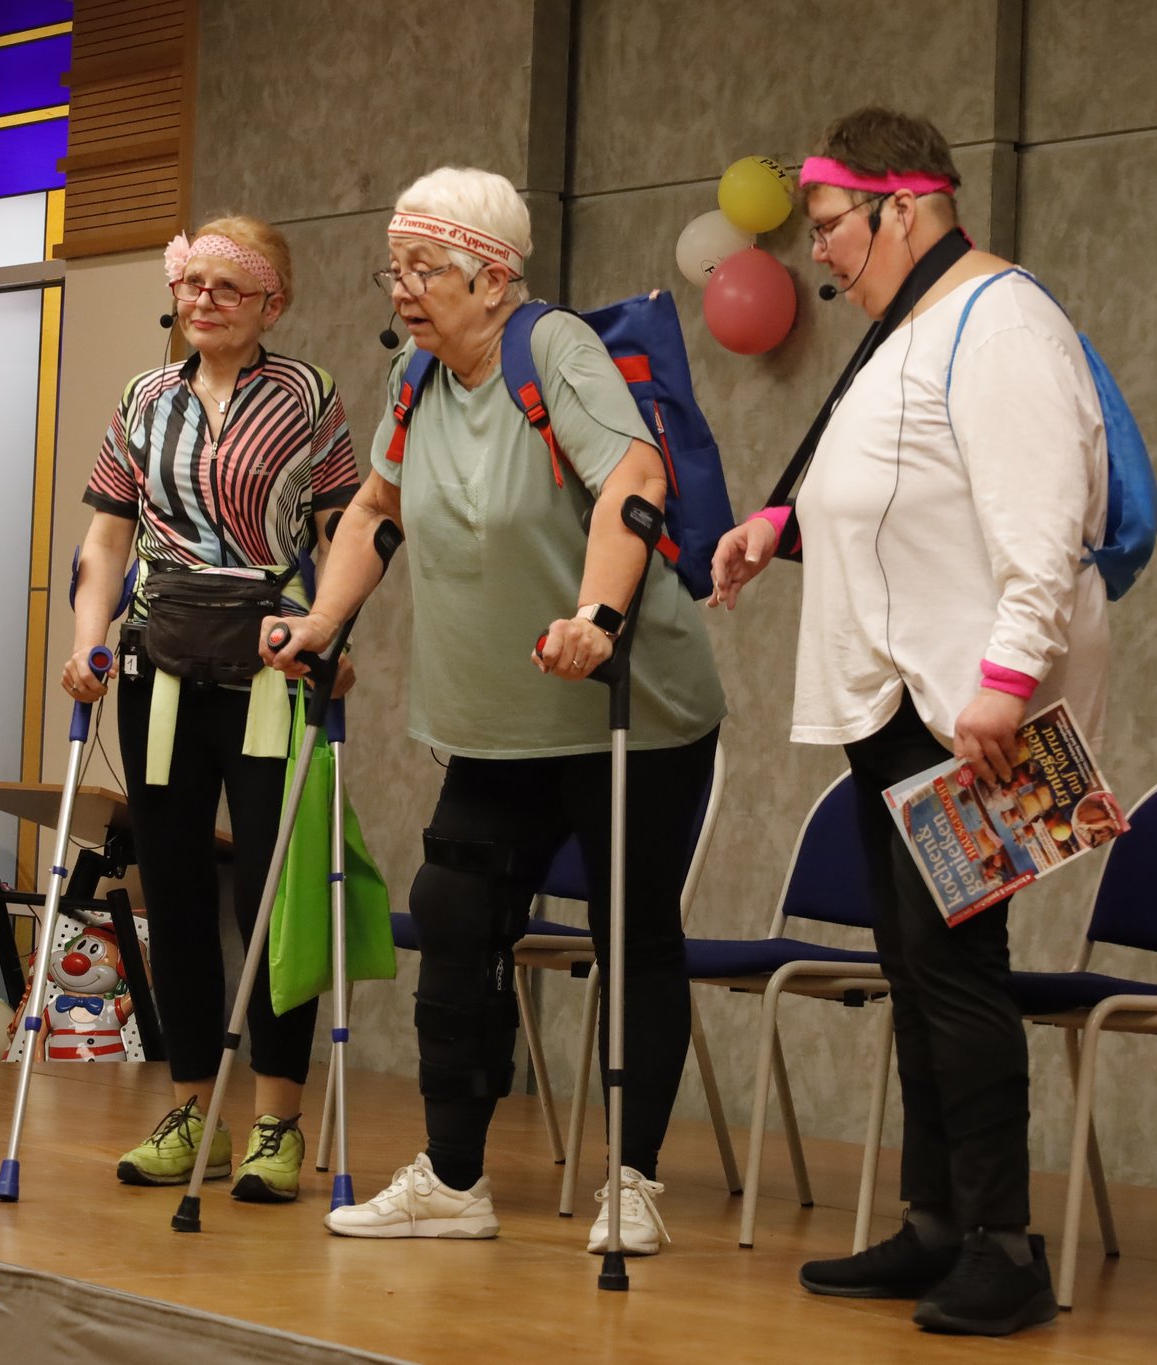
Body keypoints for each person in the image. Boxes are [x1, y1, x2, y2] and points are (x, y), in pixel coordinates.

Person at [263, 166, 725, 1254]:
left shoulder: (553, 349)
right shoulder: (416, 377)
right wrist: (322, 622)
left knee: (632, 934)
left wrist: (597, 615)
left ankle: (633, 1181)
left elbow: (633, 480)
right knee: (458, 919)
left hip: (628, 709)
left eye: (424, 269)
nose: (402, 289)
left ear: (493, 278)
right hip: (494, 720)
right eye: (395, 269)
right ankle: (452, 1178)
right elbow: (375, 507)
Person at [709, 107, 1110, 1336]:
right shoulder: (911, 328)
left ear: (903, 206)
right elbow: (880, 477)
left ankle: (1002, 1247)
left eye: (830, 224)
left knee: (957, 973)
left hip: (964, 707)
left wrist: (1004, 680)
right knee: (913, 969)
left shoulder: (1001, 321)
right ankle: (937, 1223)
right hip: (897, 701)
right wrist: (777, 525)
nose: (817, 251)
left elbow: (1042, 523)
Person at [65, 215, 359, 1205]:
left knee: (271, 893)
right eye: (192, 283)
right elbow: (106, 539)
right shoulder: (143, 398)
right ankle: (193, 1109)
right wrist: (87, 638)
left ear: (273, 302)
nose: (203, 301)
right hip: (158, 664)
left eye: (227, 288)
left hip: (272, 666)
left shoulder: (306, 395)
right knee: (175, 887)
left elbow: (346, 529)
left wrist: (329, 632)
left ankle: (278, 1120)